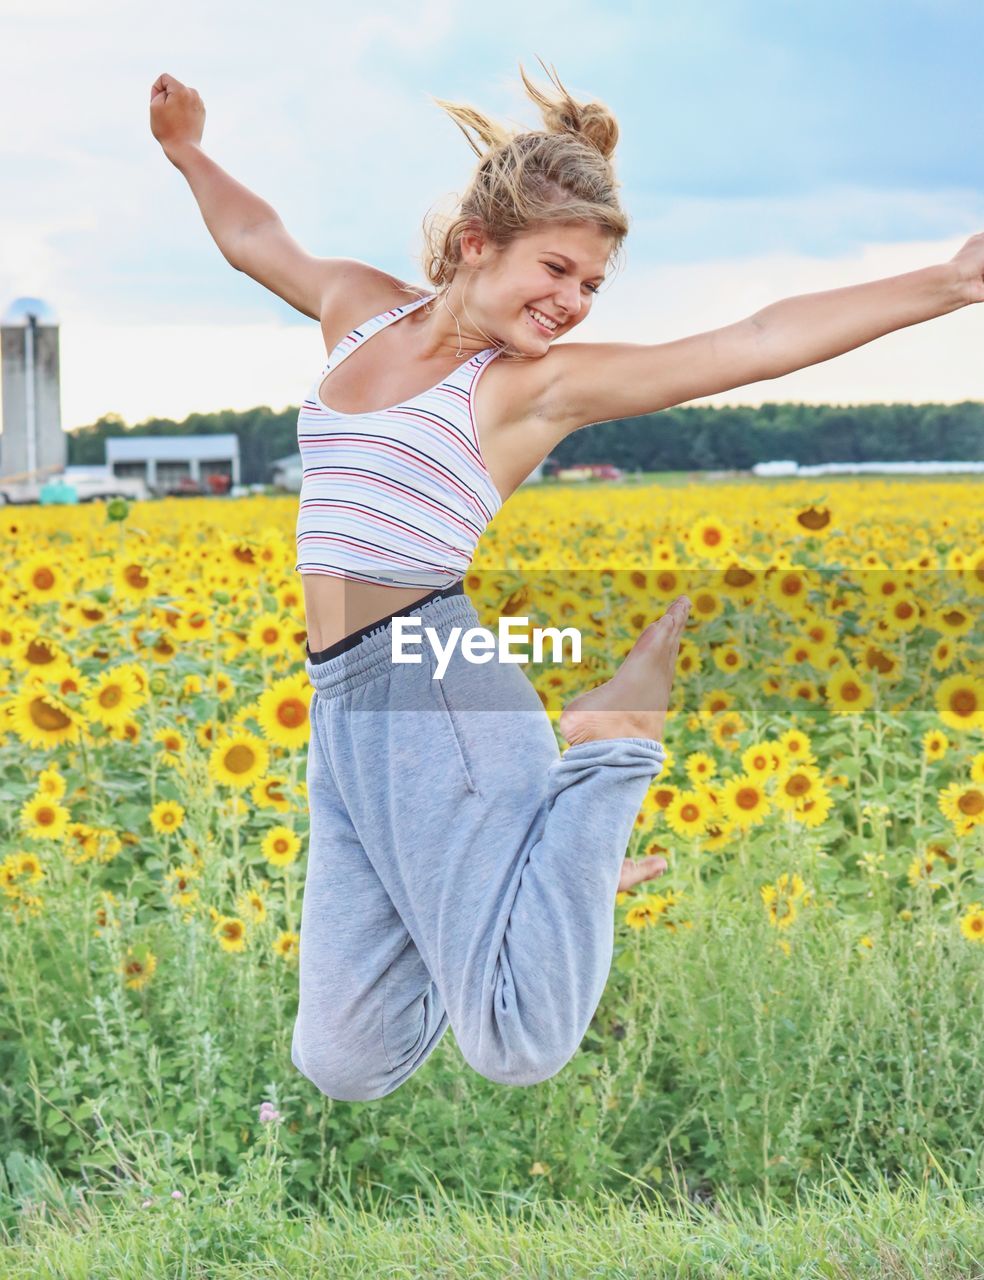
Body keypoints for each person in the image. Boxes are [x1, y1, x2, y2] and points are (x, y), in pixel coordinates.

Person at [151, 61, 982, 1100]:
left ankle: (611, 760)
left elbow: (751, 343)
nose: (572, 303)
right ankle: (555, 874)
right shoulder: (360, 314)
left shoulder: (526, 391)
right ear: (474, 246)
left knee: (517, 1040)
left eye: (590, 286)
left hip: (433, 675)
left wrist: (954, 282)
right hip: (344, 704)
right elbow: (258, 242)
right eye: (556, 271)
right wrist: (189, 153)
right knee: (343, 1059)